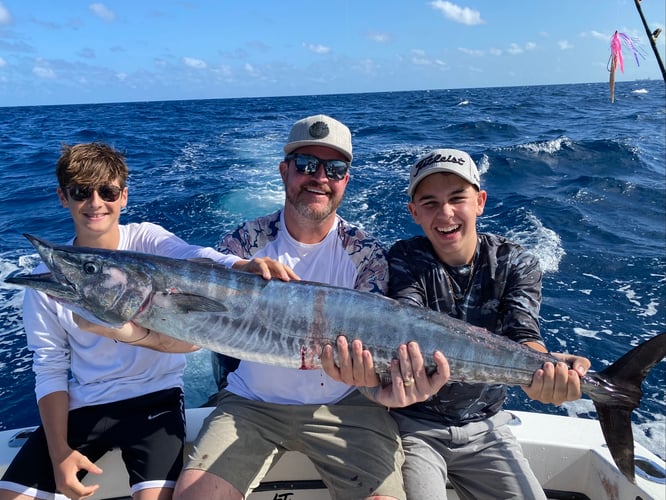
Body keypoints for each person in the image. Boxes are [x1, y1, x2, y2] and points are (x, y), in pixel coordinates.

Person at [75, 116, 448, 500]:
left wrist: (385, 385)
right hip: (251, 406)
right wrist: (124, 331)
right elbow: (192, 338)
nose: (319, 177)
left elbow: (377, 361)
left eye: (334, 169)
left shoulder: (366, 254)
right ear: (284, 171)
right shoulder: (242, 245)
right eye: (305, 165)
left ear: (345, 182)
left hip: (345, 406)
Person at [0, 142, 283, 500]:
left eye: (107, 191)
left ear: (123, 197)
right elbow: (50, 367)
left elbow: (193, 257)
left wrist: (241, 266)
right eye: (80, 192)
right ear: (63, 197)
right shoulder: (49, 282)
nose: (95, 202)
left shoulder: (146, 239)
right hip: (85, 406)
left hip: (156, 401)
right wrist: (59, 453)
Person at [323, 148, 591, 499]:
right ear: (413, 212)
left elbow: (523, 333)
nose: (445, 213)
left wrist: (545, 370)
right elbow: (408, 329)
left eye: (457, 199)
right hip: (413, 426)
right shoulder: (405, 258)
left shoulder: (516, 262)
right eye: (430, 203)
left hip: (488, 426)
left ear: (480, 201)